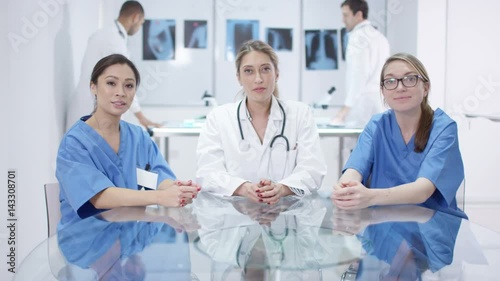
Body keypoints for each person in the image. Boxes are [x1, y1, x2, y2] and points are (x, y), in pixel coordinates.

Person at [56, 54, 199, 230]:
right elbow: (99, 197)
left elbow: (158, 176)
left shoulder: (138, 137)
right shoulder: (75, 143)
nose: (121, 92)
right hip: (86, 240)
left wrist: (177, 190)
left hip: (128, 236)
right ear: (93, 87)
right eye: (111, 83)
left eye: (129, 85)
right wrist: (161, 197)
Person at [332, 53, 467, 218]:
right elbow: (355, 169)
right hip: (382, 226)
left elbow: (423, 190)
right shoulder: (377, 125)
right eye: (390, 81)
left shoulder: (443, 128)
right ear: (382, 91)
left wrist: (370, 197)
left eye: (410, 79)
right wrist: (345, 187)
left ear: (426, 87)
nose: (400, 87)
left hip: (430, 228)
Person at [196, 40, 327, 204]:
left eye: (265, 69)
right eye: (249, 71)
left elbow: (313, 169)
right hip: (235, 218)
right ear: (239, 78)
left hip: (286, 217)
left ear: (276, 74)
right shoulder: (219, 118)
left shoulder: (300, 114)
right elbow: (207, 172)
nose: (258, 79)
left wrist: (282, 188)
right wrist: (244, 188)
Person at [65, 0, 160, 132]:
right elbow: (124, 82)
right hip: (90, 111)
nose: (140, 27)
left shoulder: (108, 35)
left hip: (90, 109)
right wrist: (141, 117)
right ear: (135, 18)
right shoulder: (112, 40)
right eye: (141, 23)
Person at [331, 0, 390, 128]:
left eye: (346, 15)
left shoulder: (358, 38)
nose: (343, 20)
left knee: (357, 145)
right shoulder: (380, 37)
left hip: (362, 107)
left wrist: (345, 109)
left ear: (358, 15)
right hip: (380, 104)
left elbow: (359, 75)